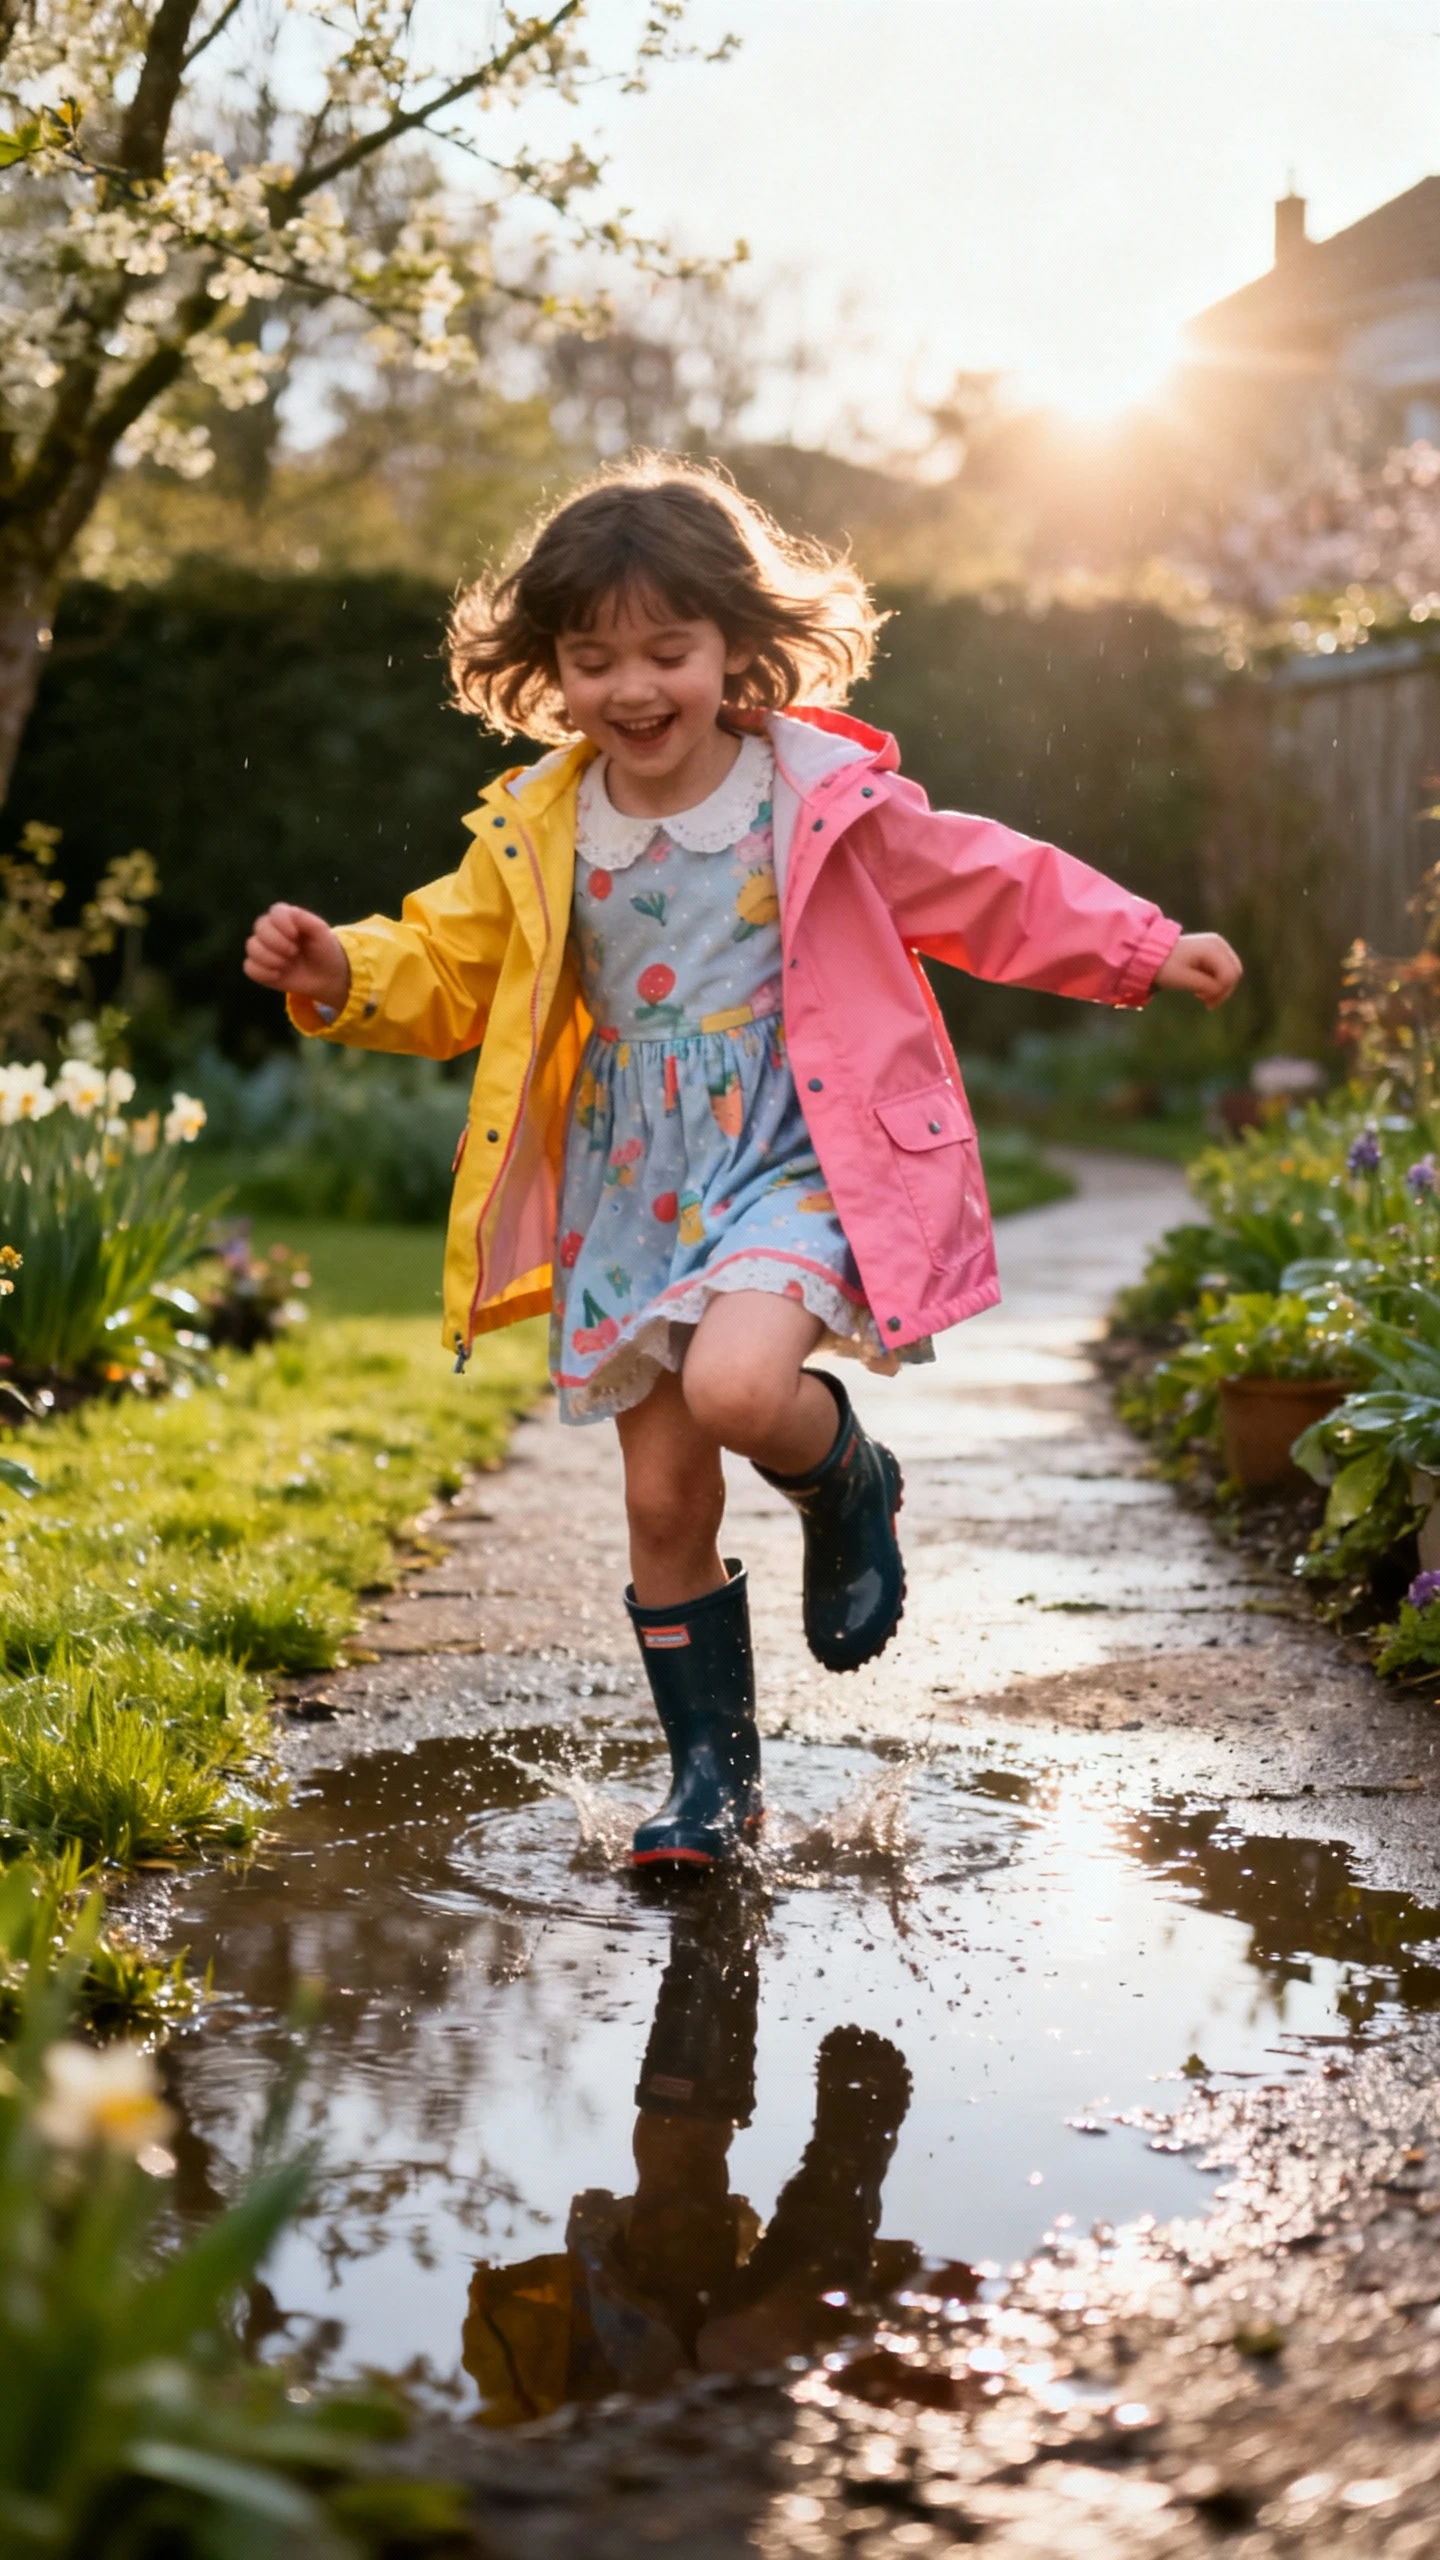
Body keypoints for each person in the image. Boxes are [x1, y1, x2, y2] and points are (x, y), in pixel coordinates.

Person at [244, 457, 1241, 1871]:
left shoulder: (811, 793)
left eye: (668, 649)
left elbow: (982, 879)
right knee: (662, 1498)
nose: (631, 687)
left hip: (792, 1148)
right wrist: (343, 970)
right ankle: (714, 1784)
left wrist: (1139, 944)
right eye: (592, 658)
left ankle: (847, 1480)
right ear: (549, 668)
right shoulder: (540, 821)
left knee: (736, 1388)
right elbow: (449, 965)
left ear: (735, 646)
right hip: (629, 1183)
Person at [460, 1890, 917, 2421]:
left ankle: (711, 1945)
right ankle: (841, 2170)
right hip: (748, 2434)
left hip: (615, 2400)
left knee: (673, 2209)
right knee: (751, 2347)